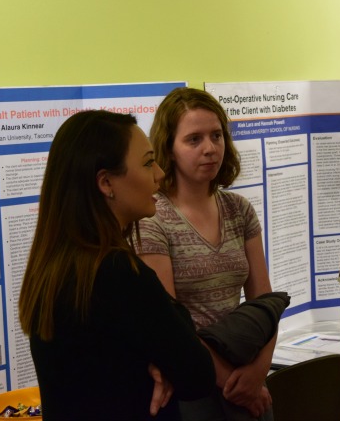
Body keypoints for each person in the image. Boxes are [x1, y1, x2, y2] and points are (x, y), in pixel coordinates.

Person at [18, 110, 223, 421]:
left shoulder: (52, 268)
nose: (159, 174)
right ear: (106, 182)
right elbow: (198, 375)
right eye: (147, 162)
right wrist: (166, 362)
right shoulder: (117, 274)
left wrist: (160, 361)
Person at [136, 87, 274, 420]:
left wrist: (258, 372)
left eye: (216, 136)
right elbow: (170, 326)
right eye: (194, 139)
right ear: (169, 147)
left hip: (246, 370)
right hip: (191, 382)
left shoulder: (238, 210)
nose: (210, 149)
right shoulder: (153, 218)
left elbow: (265, 303)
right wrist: (232, 384)